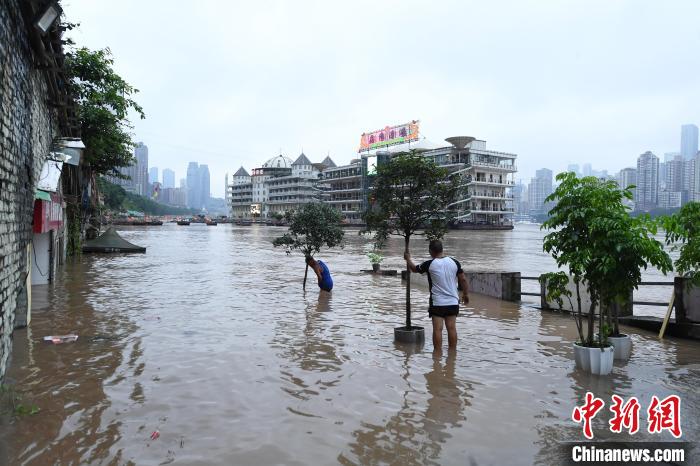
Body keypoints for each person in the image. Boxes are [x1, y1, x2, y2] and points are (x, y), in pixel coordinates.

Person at [404, 240, 469, 350]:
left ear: (430, 251)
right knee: (452, 328)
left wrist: (408, 259)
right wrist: (465, 294)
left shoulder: (429, 264)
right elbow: (463, 279)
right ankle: (452, 355)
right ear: (442, 249)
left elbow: (414, 269)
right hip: (453, 301)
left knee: (437, 329)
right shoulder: (454, 262)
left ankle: (437, 356)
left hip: (437, 302)